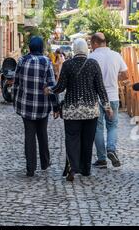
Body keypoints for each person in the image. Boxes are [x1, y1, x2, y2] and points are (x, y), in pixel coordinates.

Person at [46, 38, 113, 182]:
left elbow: (61, 87)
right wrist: (107, 107)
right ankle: (85, 169)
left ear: (75, 50)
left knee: (72, 139)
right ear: (86, 49)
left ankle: (72, 167)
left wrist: (49, 90)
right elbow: (100, 88)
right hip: (91, 111)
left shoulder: (68, 64)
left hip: (72, 110)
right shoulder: (93, 64)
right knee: (87, 141)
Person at [13, 36, 60, 177]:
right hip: (42, 105)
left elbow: (16, 83)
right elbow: (52, 85)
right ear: (41, 47)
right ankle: (45, 163)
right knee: (42, 133)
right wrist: (56, 106)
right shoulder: (46, 62)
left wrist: (15, 101)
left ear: (30, 47)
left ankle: (30, 168)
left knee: (29, 134)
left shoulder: (22, 60)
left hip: (26, 105)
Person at [89, 32, 128, 168]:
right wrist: (114, 78)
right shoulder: (116, 55)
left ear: (95, 43)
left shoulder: (91, 57)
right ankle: (111, 149)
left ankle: (102, 159)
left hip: (96, 98)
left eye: (91, 44)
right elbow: (125, 74)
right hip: (112, 97)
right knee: (112, 126)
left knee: (98, 128)